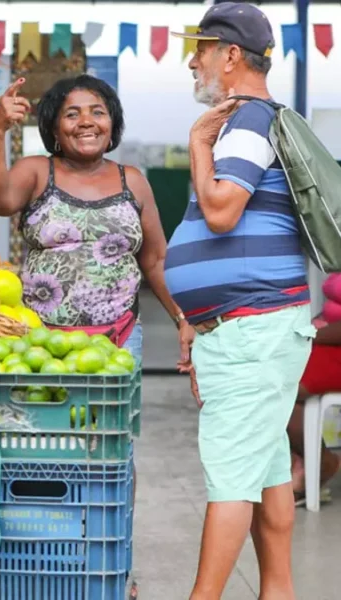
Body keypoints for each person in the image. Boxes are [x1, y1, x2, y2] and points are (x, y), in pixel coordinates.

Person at [165, 4, 317, 598]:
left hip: (253, 330)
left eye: (200, 49)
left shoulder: (249, 120)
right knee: (267, 471)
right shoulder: (248, 121)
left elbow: (222, 211)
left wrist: (198, 145)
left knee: (231, 480)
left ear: (230, 55)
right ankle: (277, 590)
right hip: (247, 330)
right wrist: (194, 319)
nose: (191, 60)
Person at [0, 74, 187, 365]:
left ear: (112, 124)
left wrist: (182, 318)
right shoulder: (36, 171)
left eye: (98, 112)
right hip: (41, 341)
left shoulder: (134, 181)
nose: (86, 121)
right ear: (54, 128)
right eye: (72, 114)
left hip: (120, 338)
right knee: (51, 410)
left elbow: (155, 260)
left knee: (113, 411)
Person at [288, 319, 341, 503]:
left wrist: (310, 334)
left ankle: (319, 464)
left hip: (334, 345)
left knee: (279, 385)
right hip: (329, 340)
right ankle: (308, 463)